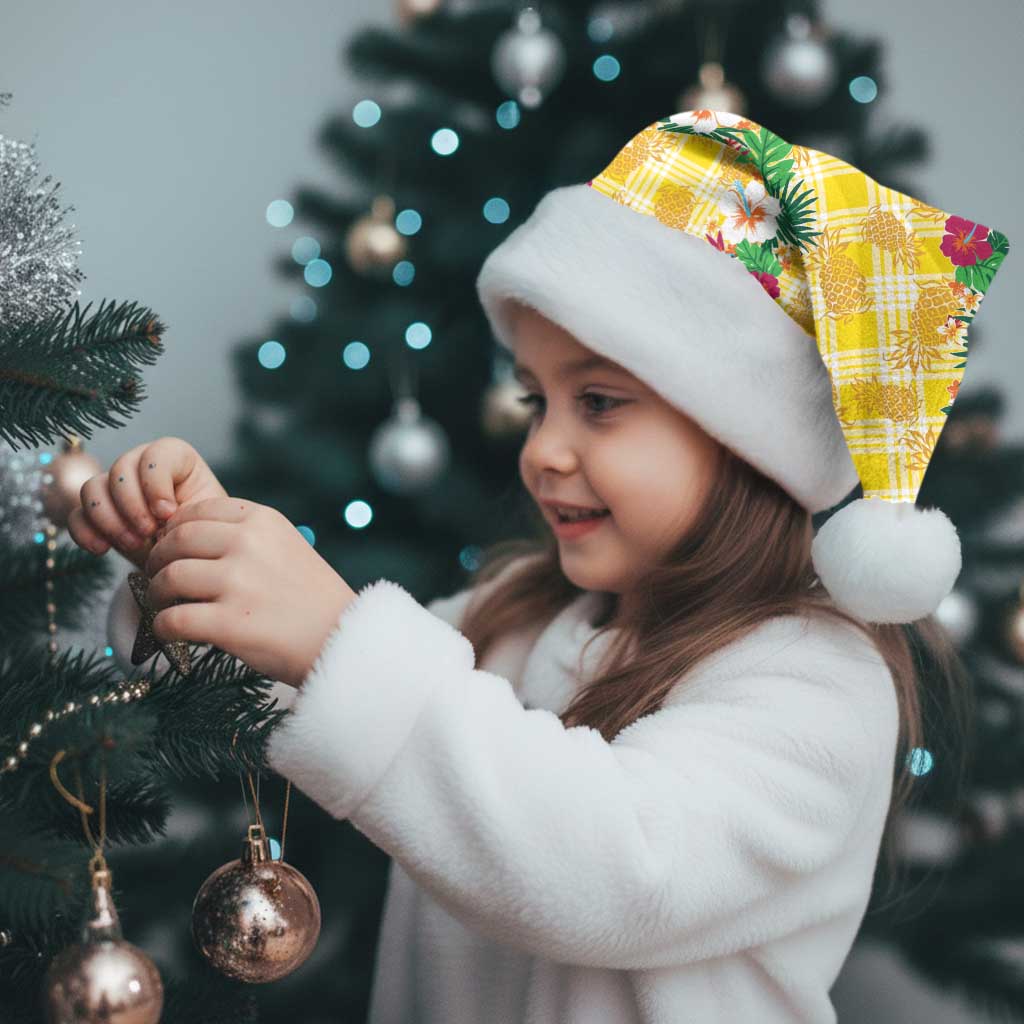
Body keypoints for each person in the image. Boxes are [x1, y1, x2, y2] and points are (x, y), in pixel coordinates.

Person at [74, 109, 1009, 1023]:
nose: (543, 450)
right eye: (535, 401)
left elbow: (616, 870)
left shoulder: (818, 683)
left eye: (598, 403)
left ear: (746, 441)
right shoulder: (515, 616)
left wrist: (335, 635)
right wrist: (191, 565)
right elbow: (307, 691)